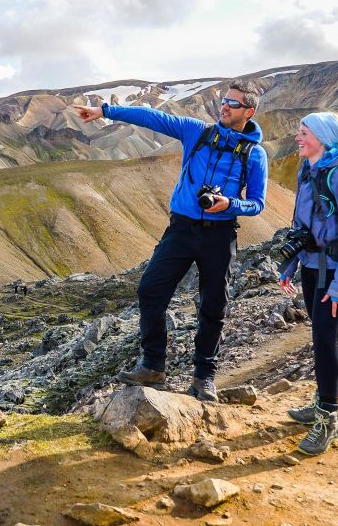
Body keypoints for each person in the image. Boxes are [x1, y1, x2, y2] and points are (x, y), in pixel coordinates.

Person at [73, 80, 268, 401]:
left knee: (213, 306)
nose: (225, 106)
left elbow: (257, 202)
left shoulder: (254, 154)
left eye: (233, 104)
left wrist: (231, 204)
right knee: (150, 290)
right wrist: (104, 111)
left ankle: (204, 377)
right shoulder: (198, 132)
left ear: (249, 111)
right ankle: (153, 366)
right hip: (181, 229)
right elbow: (152, 118)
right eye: (224, 100)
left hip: (220, 234)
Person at [277, 112, 338, 455]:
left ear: (322, 136)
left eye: (303, 132)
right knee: (319, 334)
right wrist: (290, 264)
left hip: (333, 272)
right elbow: (300, 227)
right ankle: (320, 404)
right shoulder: (310, 172)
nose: (297, 137)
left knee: (325, 341)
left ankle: (329, 418)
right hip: (311, 267)